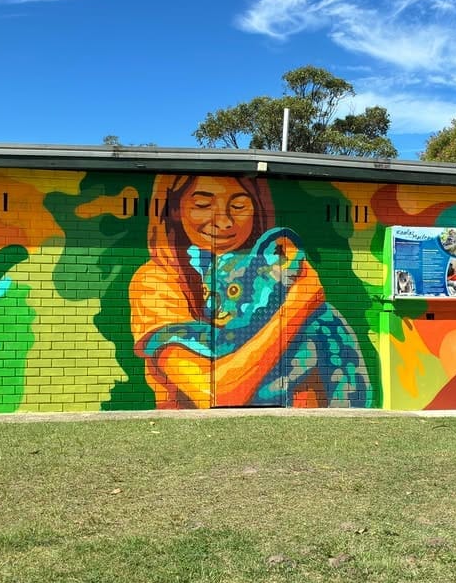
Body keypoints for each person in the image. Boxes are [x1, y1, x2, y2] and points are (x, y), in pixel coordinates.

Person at [129, 174, 328, 408]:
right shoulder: (155, 281)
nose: (224, 221)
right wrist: (299, 304)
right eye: (202, 204)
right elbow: (215, 394)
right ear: (174, 211)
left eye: (239, 206)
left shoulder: (274, 264)